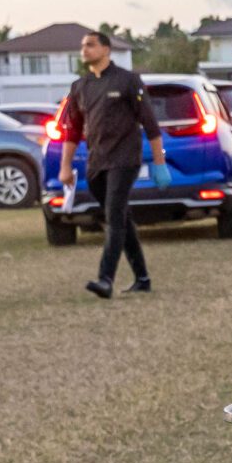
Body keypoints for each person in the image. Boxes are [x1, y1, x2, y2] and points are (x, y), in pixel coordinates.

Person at [60, 29, 167, 299]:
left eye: (91, 45)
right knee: (121, 219)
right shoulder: (80, 87)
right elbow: (72, 131)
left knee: (114, 215)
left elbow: (150, 123)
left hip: (125, 159)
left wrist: (159, 161)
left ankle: (105, 279)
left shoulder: (129, 81)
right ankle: (142, 277)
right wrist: (65, 166)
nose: (85, 50)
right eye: (83, 46)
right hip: (97, 163)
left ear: (106, 50)